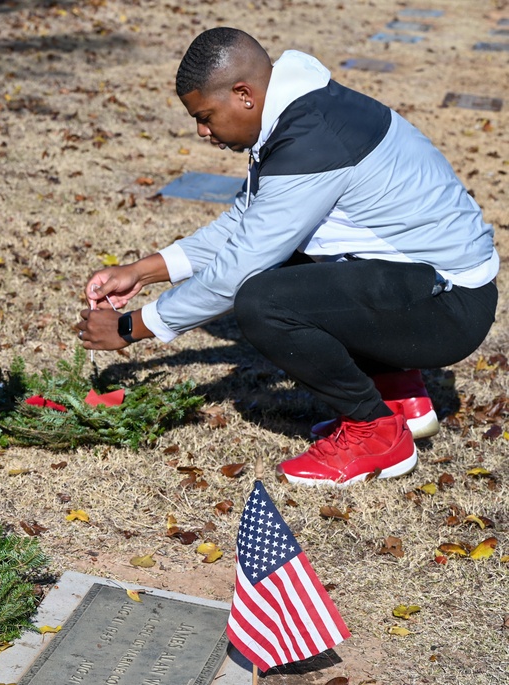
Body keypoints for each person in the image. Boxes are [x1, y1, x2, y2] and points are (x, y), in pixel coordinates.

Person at [78, 27, 499, 486]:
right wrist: (142, 270)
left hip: (449, 306)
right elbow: (245, 224)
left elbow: (238, 269)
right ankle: (399, 398)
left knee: (261, 302)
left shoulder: (312, 139)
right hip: (426, 285)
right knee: (285, 266)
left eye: (205, 116)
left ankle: (376, 435)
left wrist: (130, 327)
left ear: (243, 94)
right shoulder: (298, 112)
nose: (202, 131)